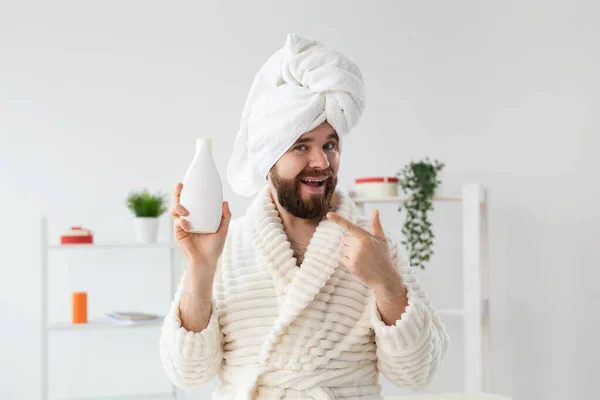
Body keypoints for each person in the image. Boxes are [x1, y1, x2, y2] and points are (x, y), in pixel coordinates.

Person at [160, 33, 449, 400]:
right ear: (269, 161)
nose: (321, 162)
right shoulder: (227, 247)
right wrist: (199, 270)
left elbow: (417, 373)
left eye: (330, 144)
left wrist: (388, 284)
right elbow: (188, 374)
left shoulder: (373, 247)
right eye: (301, 147)